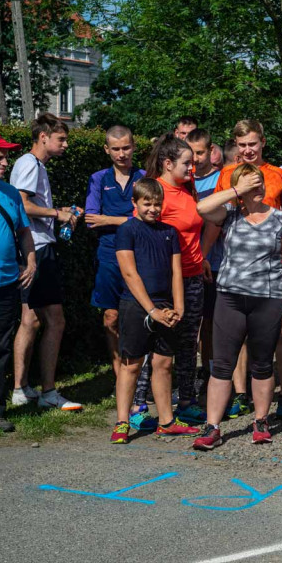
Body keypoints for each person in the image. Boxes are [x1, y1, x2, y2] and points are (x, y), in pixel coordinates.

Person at [192, 163, 282, 450]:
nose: (259, 187)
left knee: (262, 363)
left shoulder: (280, 220)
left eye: (260, 182)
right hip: (230, 298)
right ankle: (213, 426)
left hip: (268, 300)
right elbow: (202, 208)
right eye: (253, 183)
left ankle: (261, 421)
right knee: (222, 365)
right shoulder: (229, 215)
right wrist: (236, 190)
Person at [215, 120, 282, 419]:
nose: (247, 150)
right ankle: (241, 394)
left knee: (280, 336)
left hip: (275, 265)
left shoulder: (278, 174)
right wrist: (203, 254)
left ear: (263, 142)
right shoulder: (227, 174)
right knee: (238, 337)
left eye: (252, 144)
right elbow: (215, 217)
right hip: (239, 268)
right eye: (241, 145)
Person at [10, 113, 81, 412]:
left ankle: (21, 389)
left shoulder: (34, 165)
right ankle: (48, 391)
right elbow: (21, 204)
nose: (65, 144)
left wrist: (56, 209)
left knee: (32, 319)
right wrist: (57, 214)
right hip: (36, 249)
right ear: (43, 137)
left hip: (34, 247)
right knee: (55, 320)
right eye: (61, 139)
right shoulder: (29, 163)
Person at [110, 178, 187, 444]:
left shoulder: (170, 232)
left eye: (157, 204)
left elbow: (177, 271)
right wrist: (152, 310)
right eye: (147, 203)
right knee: (131, 365)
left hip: (166, 307)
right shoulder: (127, 230)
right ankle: (122, 421)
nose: (153, 209)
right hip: (136, 306)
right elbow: (129, 273)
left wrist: (178, 307)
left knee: (164, 364)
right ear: (135, 203)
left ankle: (166, 421)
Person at [139, 135, 208, 425]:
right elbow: (142, 233)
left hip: (193, 277)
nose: (193, 168)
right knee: (156, 343)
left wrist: (200, 257)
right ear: (168, 164)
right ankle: (139, 403)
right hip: (165, 282)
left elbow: (194, 230)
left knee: (188, 342)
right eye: (187, 163)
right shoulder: (156, 192)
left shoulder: (188, 189)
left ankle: (187, 400)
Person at [0, 133, 36, 433]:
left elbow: (24, 231)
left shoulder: (12, 193)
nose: (6, 162)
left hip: (4, 283)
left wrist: (31, 260)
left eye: (6, 156)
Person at [84, 125, 144, 379]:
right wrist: (128, 218)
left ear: (134, 147)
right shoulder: (99, 179)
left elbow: (147, 217)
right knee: (111, 316)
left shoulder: (144, 176)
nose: (122, 154)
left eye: (126, 148)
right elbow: (90, 219)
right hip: (109, 253)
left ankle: (140, 372)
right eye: (116, 149)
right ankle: (118, 372)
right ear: (107, 150)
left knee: (141, 313)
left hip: (140, 253)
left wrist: (108, 219)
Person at [189, 128, 223, 389]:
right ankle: (195, 372)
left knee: (213, 322)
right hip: (189, 260)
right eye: (191, 154)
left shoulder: (222, 180)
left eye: (200, 153)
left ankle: (213, 371)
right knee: (192, 321)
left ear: (211, 151)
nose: (196, 159)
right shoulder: (184, 179)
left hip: (218, 260)